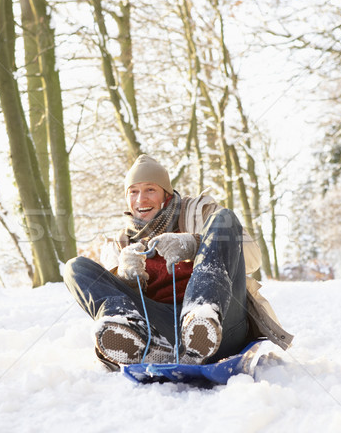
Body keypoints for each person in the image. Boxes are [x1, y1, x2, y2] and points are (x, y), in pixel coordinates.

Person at [64, 155, 293, 370]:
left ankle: (201, 317)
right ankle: (137, 337)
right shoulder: (120, 244)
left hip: (222, 320)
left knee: (226, 218)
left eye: (150, 190)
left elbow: (252, 259)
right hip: (164, 330)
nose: (140, 199)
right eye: (133, 192)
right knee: (76, 268)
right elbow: (116, 291)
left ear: (166, 194)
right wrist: (125, 276)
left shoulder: (202, 213)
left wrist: (195, 244)